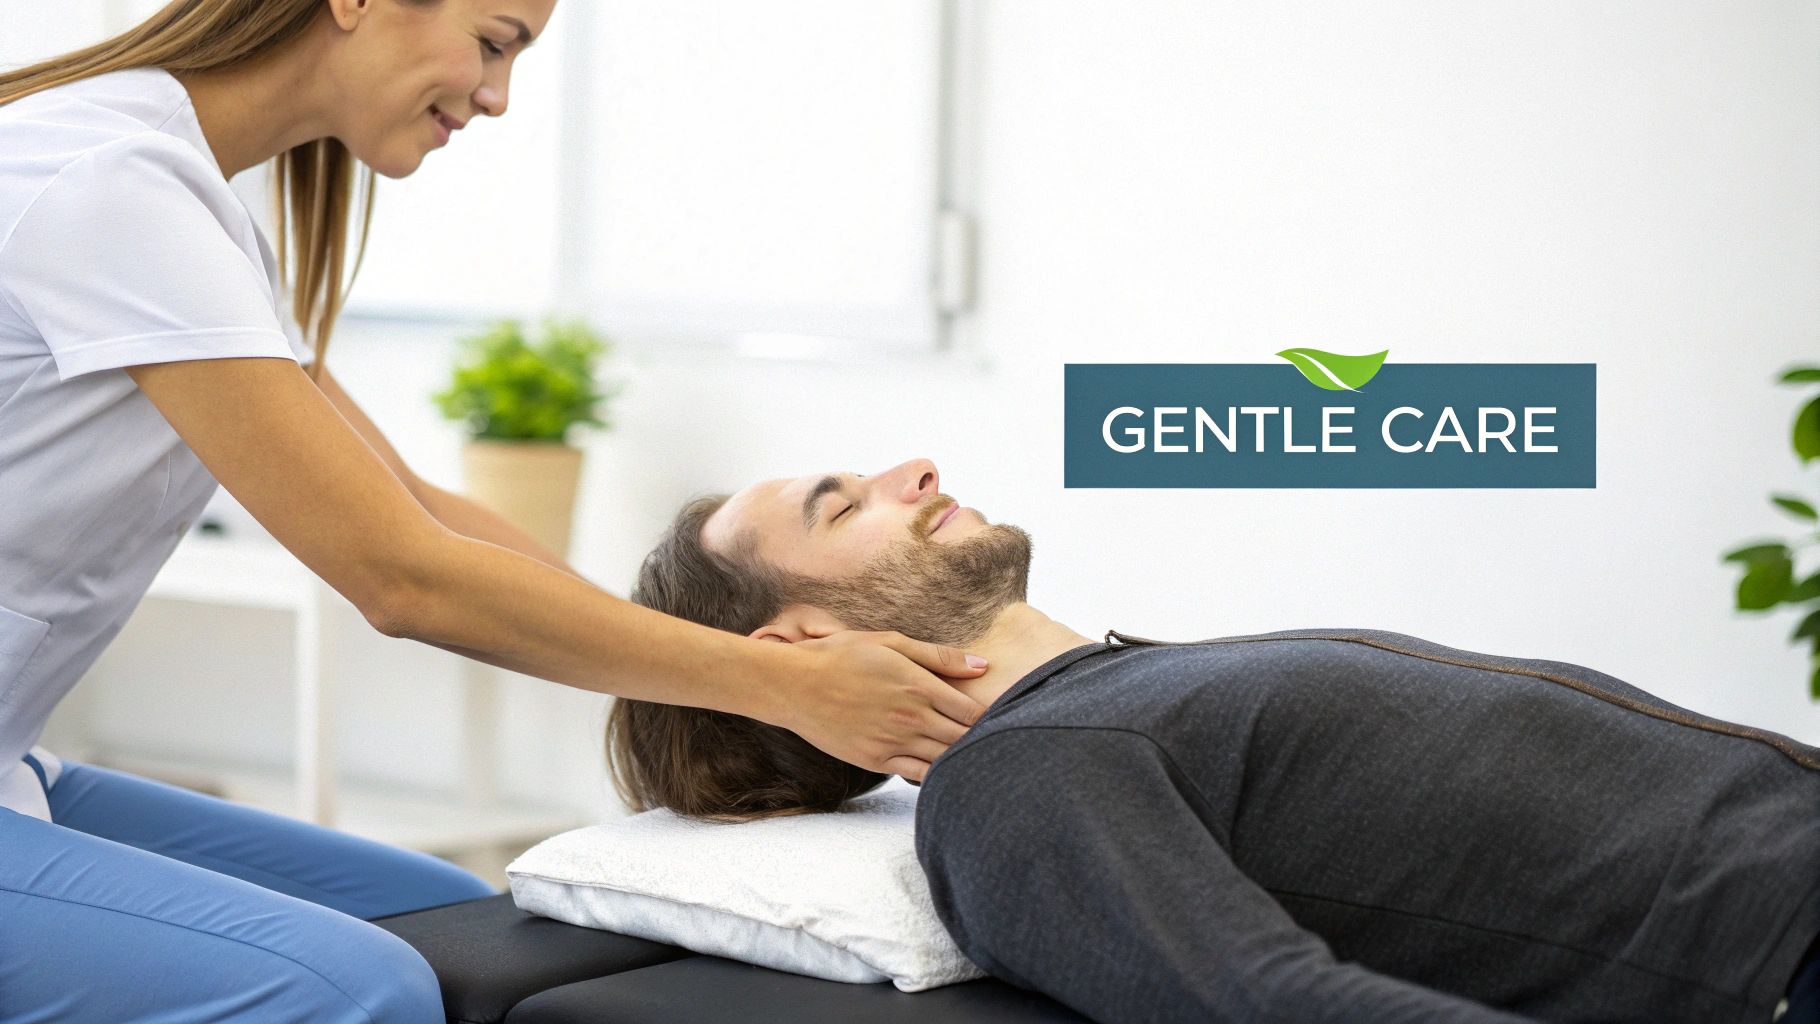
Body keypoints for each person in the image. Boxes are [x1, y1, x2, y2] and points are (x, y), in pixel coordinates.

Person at [0, 3, 991, 1020]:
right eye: (494, 40)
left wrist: (710, 684)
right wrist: (778, 680)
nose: (496, 96)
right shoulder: (110, 184)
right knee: (366, 988)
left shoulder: (198, 215)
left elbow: (418, 506)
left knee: (448, 926)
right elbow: (401, 573)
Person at [608, 456, 1820, 1024]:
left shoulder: (1131, 688)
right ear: (796, 639)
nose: (908, 469)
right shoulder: (1018, 777)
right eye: (842, 503)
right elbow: (1265, 1005)